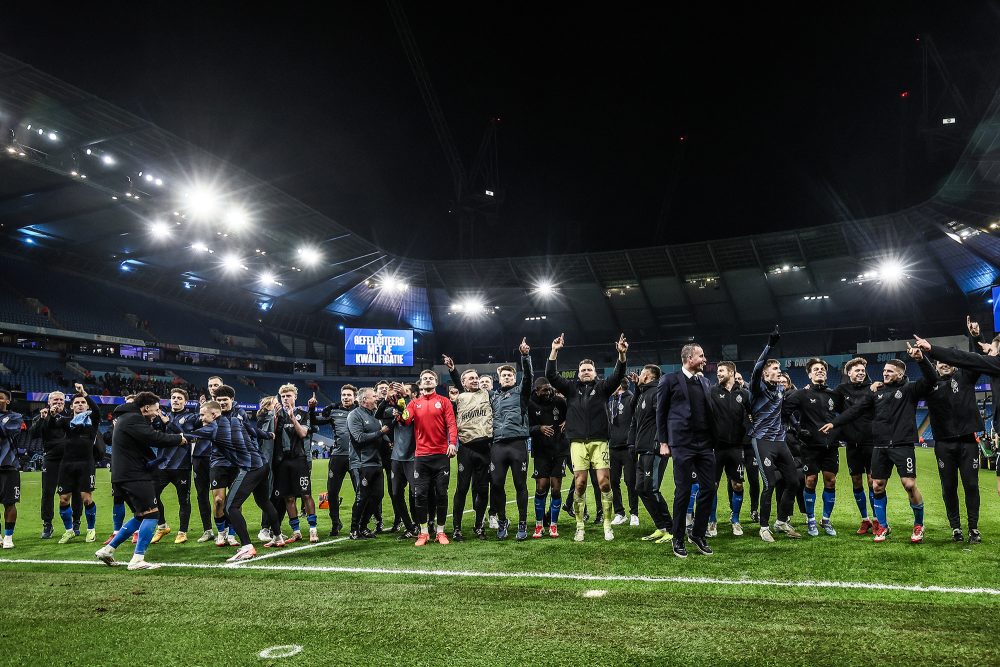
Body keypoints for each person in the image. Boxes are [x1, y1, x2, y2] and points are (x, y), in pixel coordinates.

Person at [822, 352, 931, 543]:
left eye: (889, 371)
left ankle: (918, 524)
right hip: (879, 446)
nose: (885, 373)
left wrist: (921, 359)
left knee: (909, 484)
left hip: (902, 445)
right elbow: (855, 410)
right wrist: (835, 423)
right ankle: (883, 525)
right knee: (877, 486)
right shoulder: (876, 392)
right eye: (884, 371)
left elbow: (931, 378)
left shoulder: (910, 389)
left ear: (900, 373)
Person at [546, 332, 628, 542]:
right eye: (582, 370)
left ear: (595, 373)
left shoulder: (602, 388)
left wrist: (621, 355)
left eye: (589, 370)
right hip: (577, 443)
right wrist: (554, 351)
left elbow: (618, 375)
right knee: (580, 484)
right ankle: (579, 526)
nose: (585, 373)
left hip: (599, 442)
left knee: (604, 483)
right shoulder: (571, 389)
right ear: (578, 373)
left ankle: (608, 525)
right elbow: (551, 376)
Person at [94, 392, 189, 570]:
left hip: (124, 475)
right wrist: (179, 439)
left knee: (140, 516)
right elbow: (154, 437)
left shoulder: (126, 418)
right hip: (134, 475)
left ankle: (108, 549)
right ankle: (137, 559)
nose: (156, 413)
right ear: (146, 407)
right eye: (156, 409)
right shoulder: (133, 418)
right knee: (153, 514)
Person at [910, 333, 989, 543]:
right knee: (949, 486)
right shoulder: (929, 383)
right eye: (939, 362)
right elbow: (908, 388)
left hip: (967, 441)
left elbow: (975, 359)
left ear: (953, 364)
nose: (943, 364)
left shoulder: (965, 376)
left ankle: (973, 528)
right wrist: (921, 360)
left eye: (946, 361)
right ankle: (956, 527)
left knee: (971, 485)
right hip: (944, 444)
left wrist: (976, 337)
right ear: (934, 366)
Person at [656, 343, 717, 558]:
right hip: (681, 443)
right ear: (689, 358)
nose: (704, 359)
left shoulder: (706, 382)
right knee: (683, 491)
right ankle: (678, 537)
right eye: (701, 356)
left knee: (709, 488)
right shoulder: (669, 380)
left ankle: (698, 534)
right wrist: (663, 442)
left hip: (704, 443)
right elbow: (661, 413)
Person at [748, 327, 801, 543]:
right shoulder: (757, 388)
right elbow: (757, 367)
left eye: (779, 369)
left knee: (793, 481)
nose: (779, 372)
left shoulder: (780, 389)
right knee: (769, 484)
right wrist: (769, 346)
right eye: (775, 369)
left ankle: (780, 522)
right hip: (762, 441)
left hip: (779, 441)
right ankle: (763, 527)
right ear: (765, 373)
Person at [781, 358, 842, 537]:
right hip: (809, 446)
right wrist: (798, 429)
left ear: (826, 373)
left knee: (830, 481)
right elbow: (784, 411)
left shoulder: (833, 394)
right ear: (809, 374)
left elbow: (847, 413)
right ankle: (811, 521)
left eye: (822, 369)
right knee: (810, 481)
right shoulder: (801, 394)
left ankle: (826, 520)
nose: (820, 371)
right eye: (816, 369)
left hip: (830, 446)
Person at [403, 369, 458, 546]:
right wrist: (400, 404)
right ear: (420, 384)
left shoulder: (444, 401)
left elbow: (451, 423)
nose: (428, 380)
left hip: (441, 455)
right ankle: (423, 533)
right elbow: (405, 420)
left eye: (431, 378)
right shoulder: (414, 403)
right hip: (421, 457)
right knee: (420, 495)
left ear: (436, 382)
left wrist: (452, 443)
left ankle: (440, 532)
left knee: (441, 494)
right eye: (425, 379)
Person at [443, 356, 493, 541]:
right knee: (462, 488)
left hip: (485, 448)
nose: (474, 380)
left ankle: (479, 526)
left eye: (476, 377)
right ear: (463, 383)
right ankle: (457, 528)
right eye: (470, 378)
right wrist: (452, 369)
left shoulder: (486, 394)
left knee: (482, 490)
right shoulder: (459, 398)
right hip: (466, 448)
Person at [629, 365, 673, 544]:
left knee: (651, 489)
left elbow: (663, 418)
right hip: (643, 449)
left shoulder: (657, 392)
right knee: (641, 488)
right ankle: (660, 526)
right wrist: (637, 388)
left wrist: (659, 442)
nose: (639, 375)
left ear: (647, 375)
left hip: (654, 449)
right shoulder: (643, 393)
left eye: (641, 373)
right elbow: (633, 412)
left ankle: (671, 529)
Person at [30, 391, 82, 539]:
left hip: (71, 458)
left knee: (76, 492)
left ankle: (76, 522)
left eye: (61, 400)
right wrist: (42, 419)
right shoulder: (43, 416)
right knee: (48, 492)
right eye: (55, 400)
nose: (58, 402)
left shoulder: (71, 416)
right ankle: (47, 524)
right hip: (51, 459)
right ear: (49, 402)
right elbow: (33, 434)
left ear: (64, 402)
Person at [834, 358, 878, 534]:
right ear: (849, 373)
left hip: (871, 442)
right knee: (856, 481)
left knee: (873, 482)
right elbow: (828, 404)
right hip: (852, 443)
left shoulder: (873, 388)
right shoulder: (840, 390)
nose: (860, 373)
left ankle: (877, 519)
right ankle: (864, 519)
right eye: (857, 370)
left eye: (862, 370)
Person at [54, 385, 101, 544]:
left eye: (83, 402)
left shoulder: (92, 420)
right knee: (63, 499)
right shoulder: (66, 422)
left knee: (86, 498)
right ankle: (69, 531)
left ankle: (91, 529)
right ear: (72, 406)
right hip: (66, 464)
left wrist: (84, 394)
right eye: (77, 402)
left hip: (86, 464)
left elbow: (97, 410)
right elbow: (53, 424)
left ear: (87, 405)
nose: (80, 404)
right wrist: (53, 414)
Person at [149, 388, 196, 545]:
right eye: (173, 397)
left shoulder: (190, 417)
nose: (176, 400)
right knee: (151, 495)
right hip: (162, 464)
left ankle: (182, 532)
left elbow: (185, 436)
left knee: (184, 500)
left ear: (185, 401)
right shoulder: (163, 416)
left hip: (181, 465)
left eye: (179, 398)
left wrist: (168, 423)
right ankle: (162, 526)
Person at [708, 361, 748, 537]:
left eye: (721, 371)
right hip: (716, 448)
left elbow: (751, 416)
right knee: (712, 486)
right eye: (717, 371)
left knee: (737, 485)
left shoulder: (744, 394)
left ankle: (736, 520)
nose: (718, 373)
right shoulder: (712, 392)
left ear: (731, 372)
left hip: (737, 447)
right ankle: (712, 521)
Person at [274, 384, 319, 543]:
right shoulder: (277, 415)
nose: (286, 399)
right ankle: (296, 531)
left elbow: (302, 433)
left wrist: (293, 418)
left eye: (289, 396)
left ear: (295, 397)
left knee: (306, 494)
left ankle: (313, 529)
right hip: (283, 462)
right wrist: (275, 417)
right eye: (283, 396)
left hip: (299, 460)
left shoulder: (302, 413)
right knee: (288, 498)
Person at [314, 385, 358, 536]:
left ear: (355, 397)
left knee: (360, 492)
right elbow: (314, 421)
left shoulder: (360, 411)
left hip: (356, 457)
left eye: (349, 395)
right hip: (338, 457)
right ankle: (335, 523)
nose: (346, 397)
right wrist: (313, 409)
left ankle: (357, 523)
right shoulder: (333, 412)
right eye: (343, 395)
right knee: (332, 492)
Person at [528, 377, 567, 538]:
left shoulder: (560, 401)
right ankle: (539, 525)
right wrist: (539, 428)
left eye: (550, 388)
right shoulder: (531, 404)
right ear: (536, 390)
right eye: (544, 389)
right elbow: (525, 426)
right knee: (541, 487)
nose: (548, 392)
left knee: (556, 488)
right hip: (541, 451)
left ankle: (553, 525)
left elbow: (575, 411)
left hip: (559, 450)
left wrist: (569, 420)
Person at [346, 388, 387, 539]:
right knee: (362, 497)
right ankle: (354, 529)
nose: (377, 398)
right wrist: (381, 433)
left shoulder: (375, 415)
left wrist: (389, 442)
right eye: (374, 396)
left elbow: (381, 436)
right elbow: (359, 437)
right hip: (362, 462)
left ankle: (363, 526)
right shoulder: (354, 415)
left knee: (377, 496)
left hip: (377, 462)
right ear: (364, 400)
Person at [386, 382, 419, 539]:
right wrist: (390, 400)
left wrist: (403, 399)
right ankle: (409, 526)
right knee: (396, 493)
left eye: (405, 391)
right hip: (396, 457)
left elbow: (407, 416)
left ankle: (421, 525)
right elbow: (380, 415)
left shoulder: (416, 406)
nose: (400, 393)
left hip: (413, 456)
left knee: (416, 493)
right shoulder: (396, 406)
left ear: (413, 394)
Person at [607, 380, 639, 526]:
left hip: (627, 447)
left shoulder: (631, 399)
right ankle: (619, 513)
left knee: (630, 481)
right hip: (612, 447)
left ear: (619, 386)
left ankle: (634, 513)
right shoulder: (611, 401)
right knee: (613, 481)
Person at [0, 389, 24, 549]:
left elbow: (6, 430)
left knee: (10, 503)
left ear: (7, 401)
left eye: (0, 398)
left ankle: (8, 537)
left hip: (9, 466)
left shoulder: (15, 417)